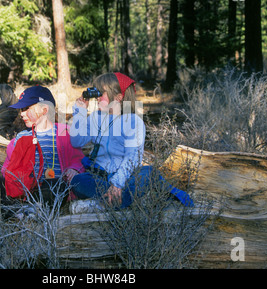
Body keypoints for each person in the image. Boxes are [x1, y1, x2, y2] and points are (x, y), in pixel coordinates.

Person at [69, 72, 193, 209]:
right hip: (100, 176)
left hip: (126, 177)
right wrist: (80, 113)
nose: (97, 97)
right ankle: (120, 201)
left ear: (118, 98)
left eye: (101, 93)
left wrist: (117, 184)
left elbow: (132, 157)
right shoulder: (95, 118)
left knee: (150, 173)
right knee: (77, 181)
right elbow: (77, 141)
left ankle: (100, 204)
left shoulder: (133, 121)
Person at [0, 85, 85, 208]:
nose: (22, 114)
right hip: (23, 189)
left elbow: (78, 159)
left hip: (49, 189)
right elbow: (7, 167)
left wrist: (74, 169)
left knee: (57, 185)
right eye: (21, 109)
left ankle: (26, 209)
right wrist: (13, 177)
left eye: (26, 108)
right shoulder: (20, 138)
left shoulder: (65, 132)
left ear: (44, 110)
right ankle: (17, 210)